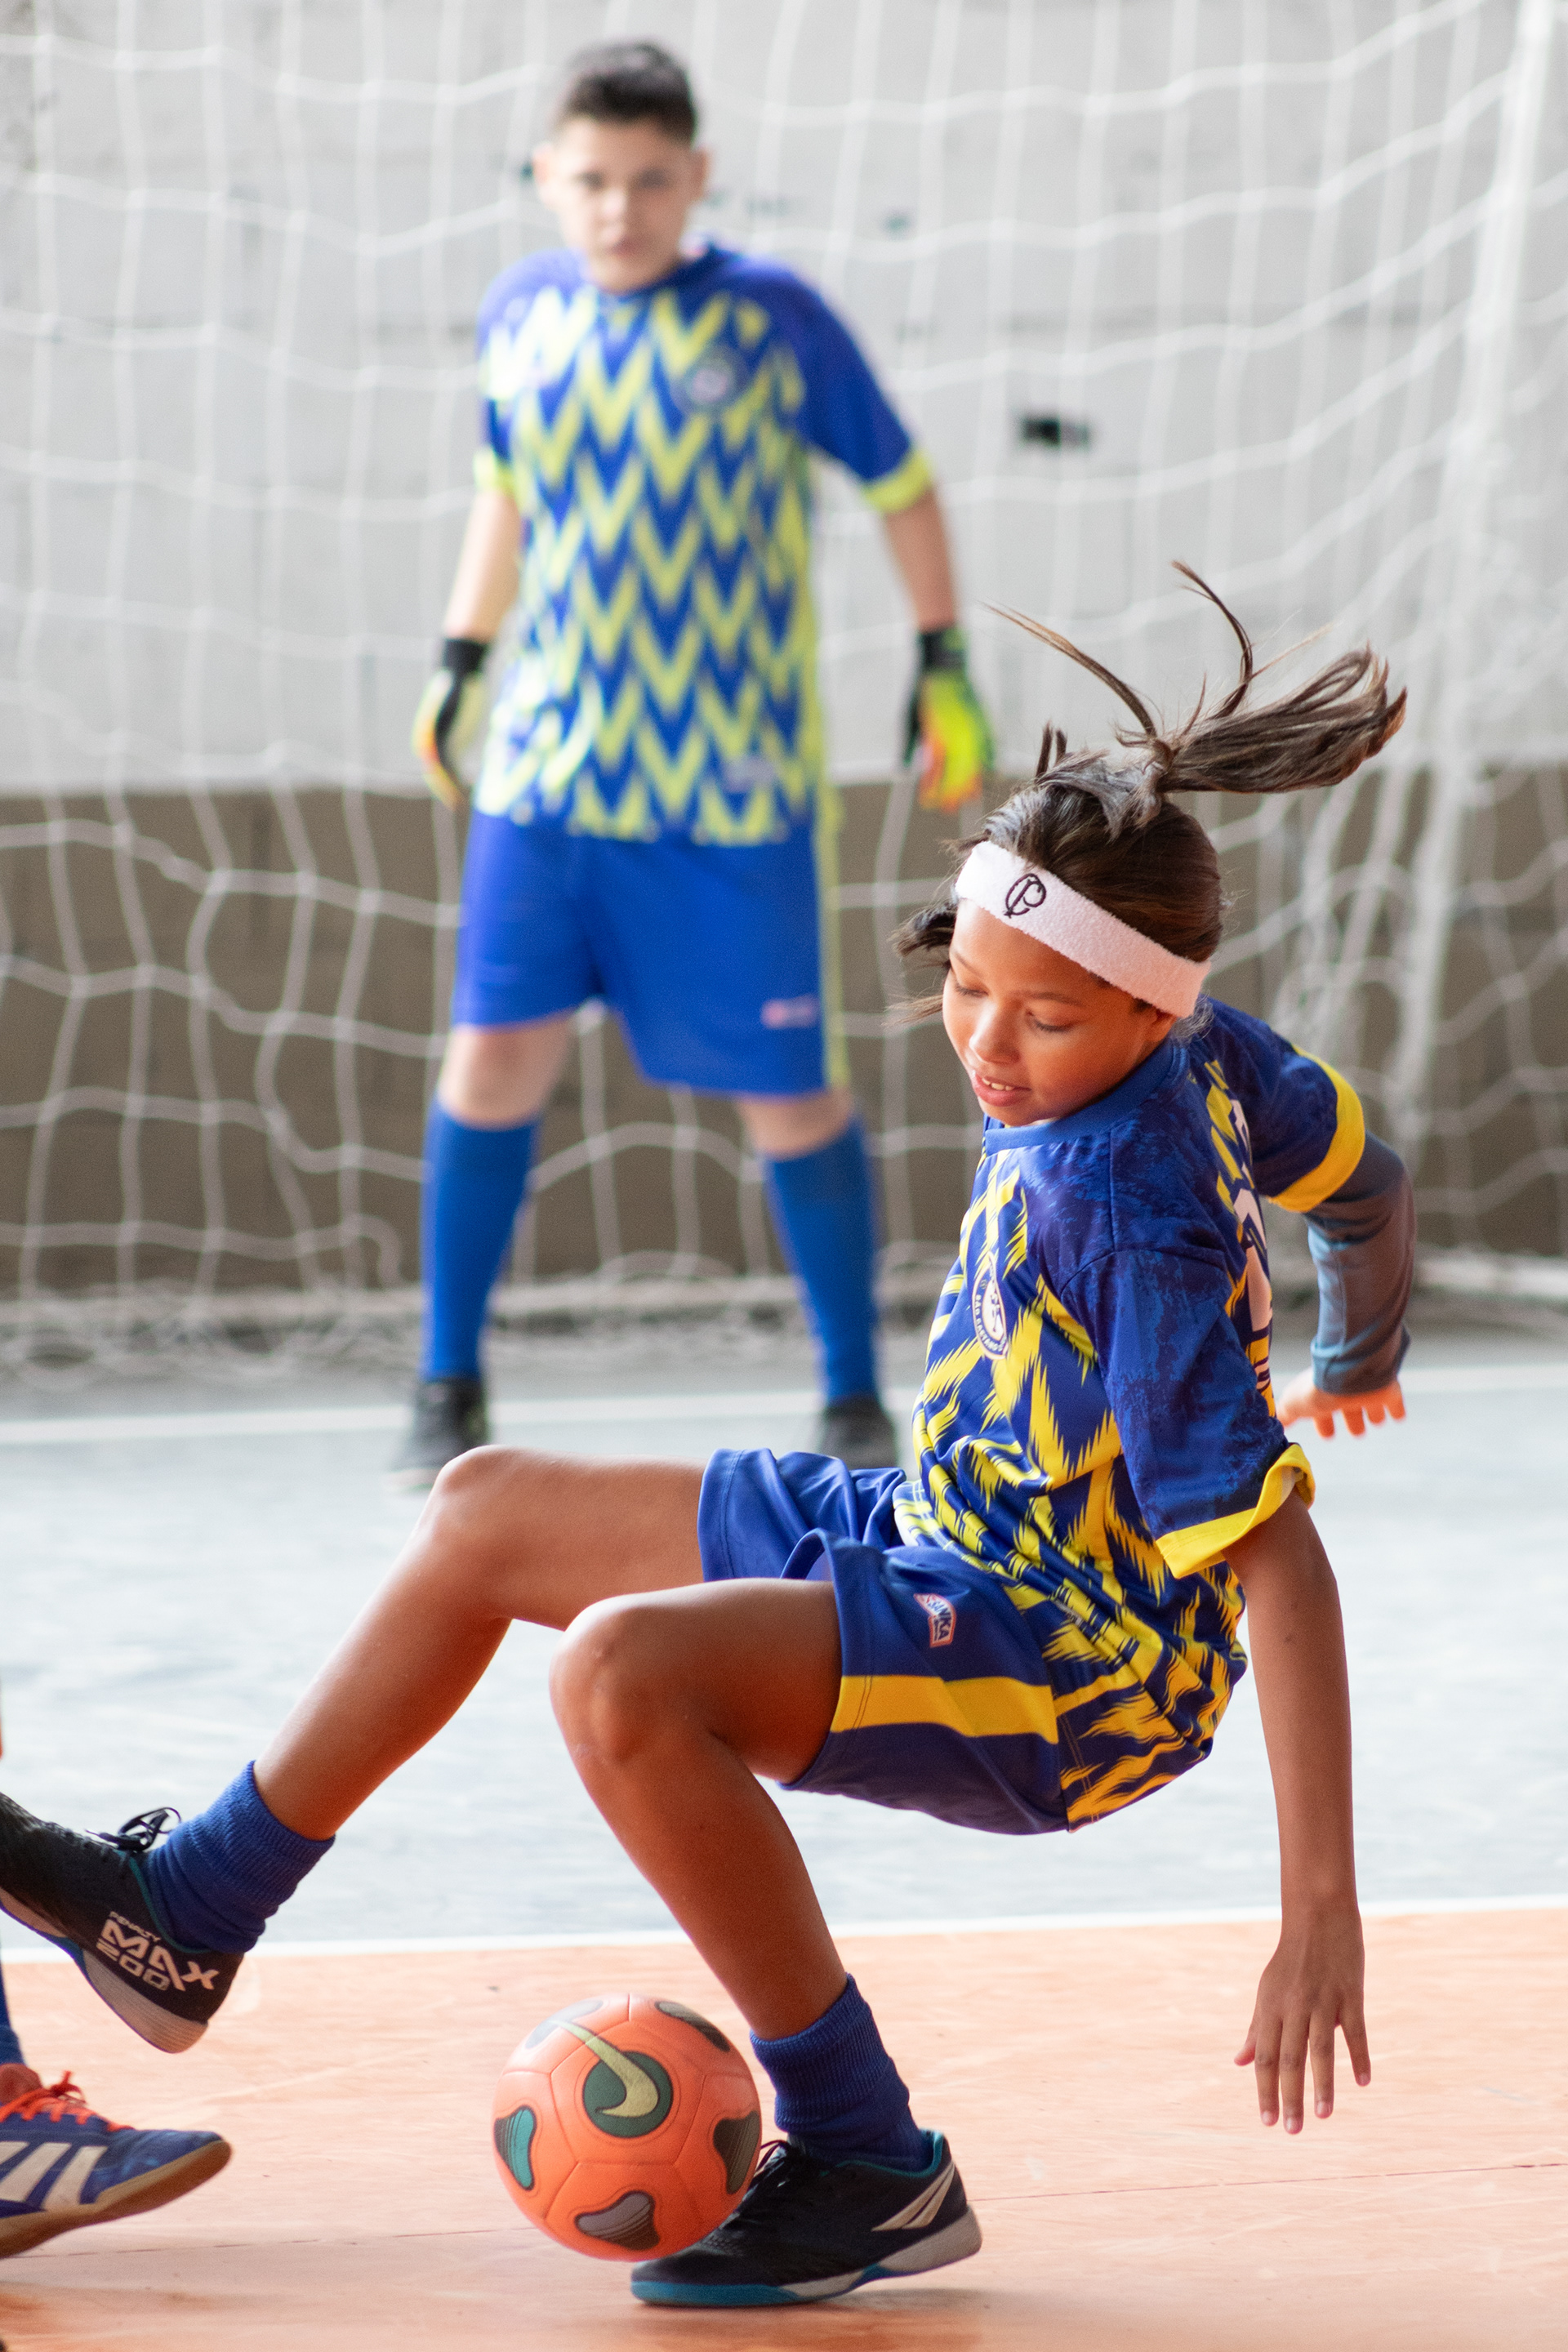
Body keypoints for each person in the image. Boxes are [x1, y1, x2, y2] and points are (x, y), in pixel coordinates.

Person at [0, 572, 1413, 2310]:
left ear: (1148, 1011)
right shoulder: (1211, 1049)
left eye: (1045, 1018)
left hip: (1069, 1664)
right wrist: (1361, 1337)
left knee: (620, 1676)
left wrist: (1322, 1907)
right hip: (946, 1522)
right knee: (486, 1509)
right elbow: (1364, 1172)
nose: (990, 1043)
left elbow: (1279, 1560)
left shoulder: (1127, 1207)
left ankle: (870, 2159)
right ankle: (188, 1916)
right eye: (969, 986)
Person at [396, 38, 992, 1486]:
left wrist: (942, 662)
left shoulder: (775, 320)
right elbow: (504, 493)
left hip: (730, 799)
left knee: (789, 1092)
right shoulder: (521, 313)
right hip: (547, 785)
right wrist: (462, 656)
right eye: (594, 178)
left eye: (651, 178)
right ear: (549, 176)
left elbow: (904, 483)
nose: (621, 206)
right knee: (491, 1062)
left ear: (698, 177)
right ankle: (445, 1382)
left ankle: (852, 1395)